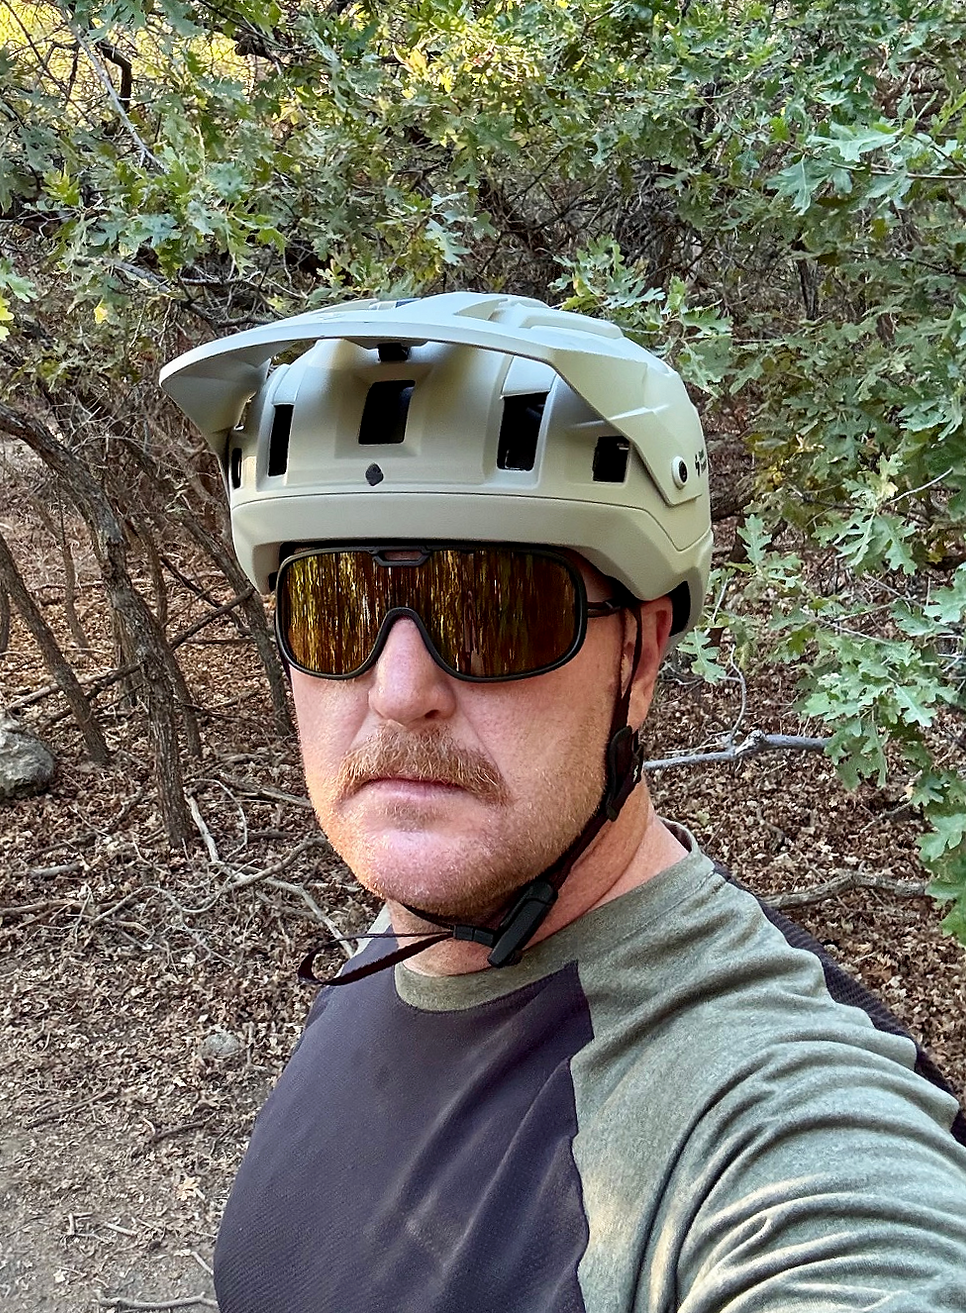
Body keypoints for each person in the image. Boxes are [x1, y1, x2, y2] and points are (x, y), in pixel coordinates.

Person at [161, 293, 966, 1313]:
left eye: (493, 610)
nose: (398, 688)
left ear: (639, 656)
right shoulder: (413, 922)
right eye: (335, 607)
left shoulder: (767, 1124)